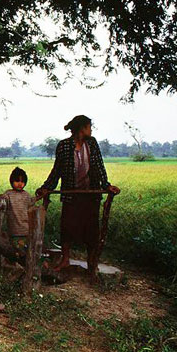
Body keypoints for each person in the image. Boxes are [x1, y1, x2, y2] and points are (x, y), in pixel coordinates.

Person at [36, 115, 120, 279]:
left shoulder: (92, 143)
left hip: (91, 194)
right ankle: (65, 259)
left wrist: (106, 185)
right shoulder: (64, 146)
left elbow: (99, 165)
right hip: (71, 194)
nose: (91, 130)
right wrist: (47, 187)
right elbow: (57, 170)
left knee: (91, 230)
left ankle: (91, 263)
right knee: (67, 227)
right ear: (82, 128)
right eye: (89, 127)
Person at [0, 166, 34, 263]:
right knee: (17, 250)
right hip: (14, 229)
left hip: (26, 229)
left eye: (22, 182)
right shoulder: (8, 194)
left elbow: (31, 204)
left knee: (27, 249)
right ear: (11, 181)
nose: (20, 184)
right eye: (17, 181)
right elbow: (2, 200)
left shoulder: (26, 195)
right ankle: (18, 263)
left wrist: (42, 198)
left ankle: (25, 264)